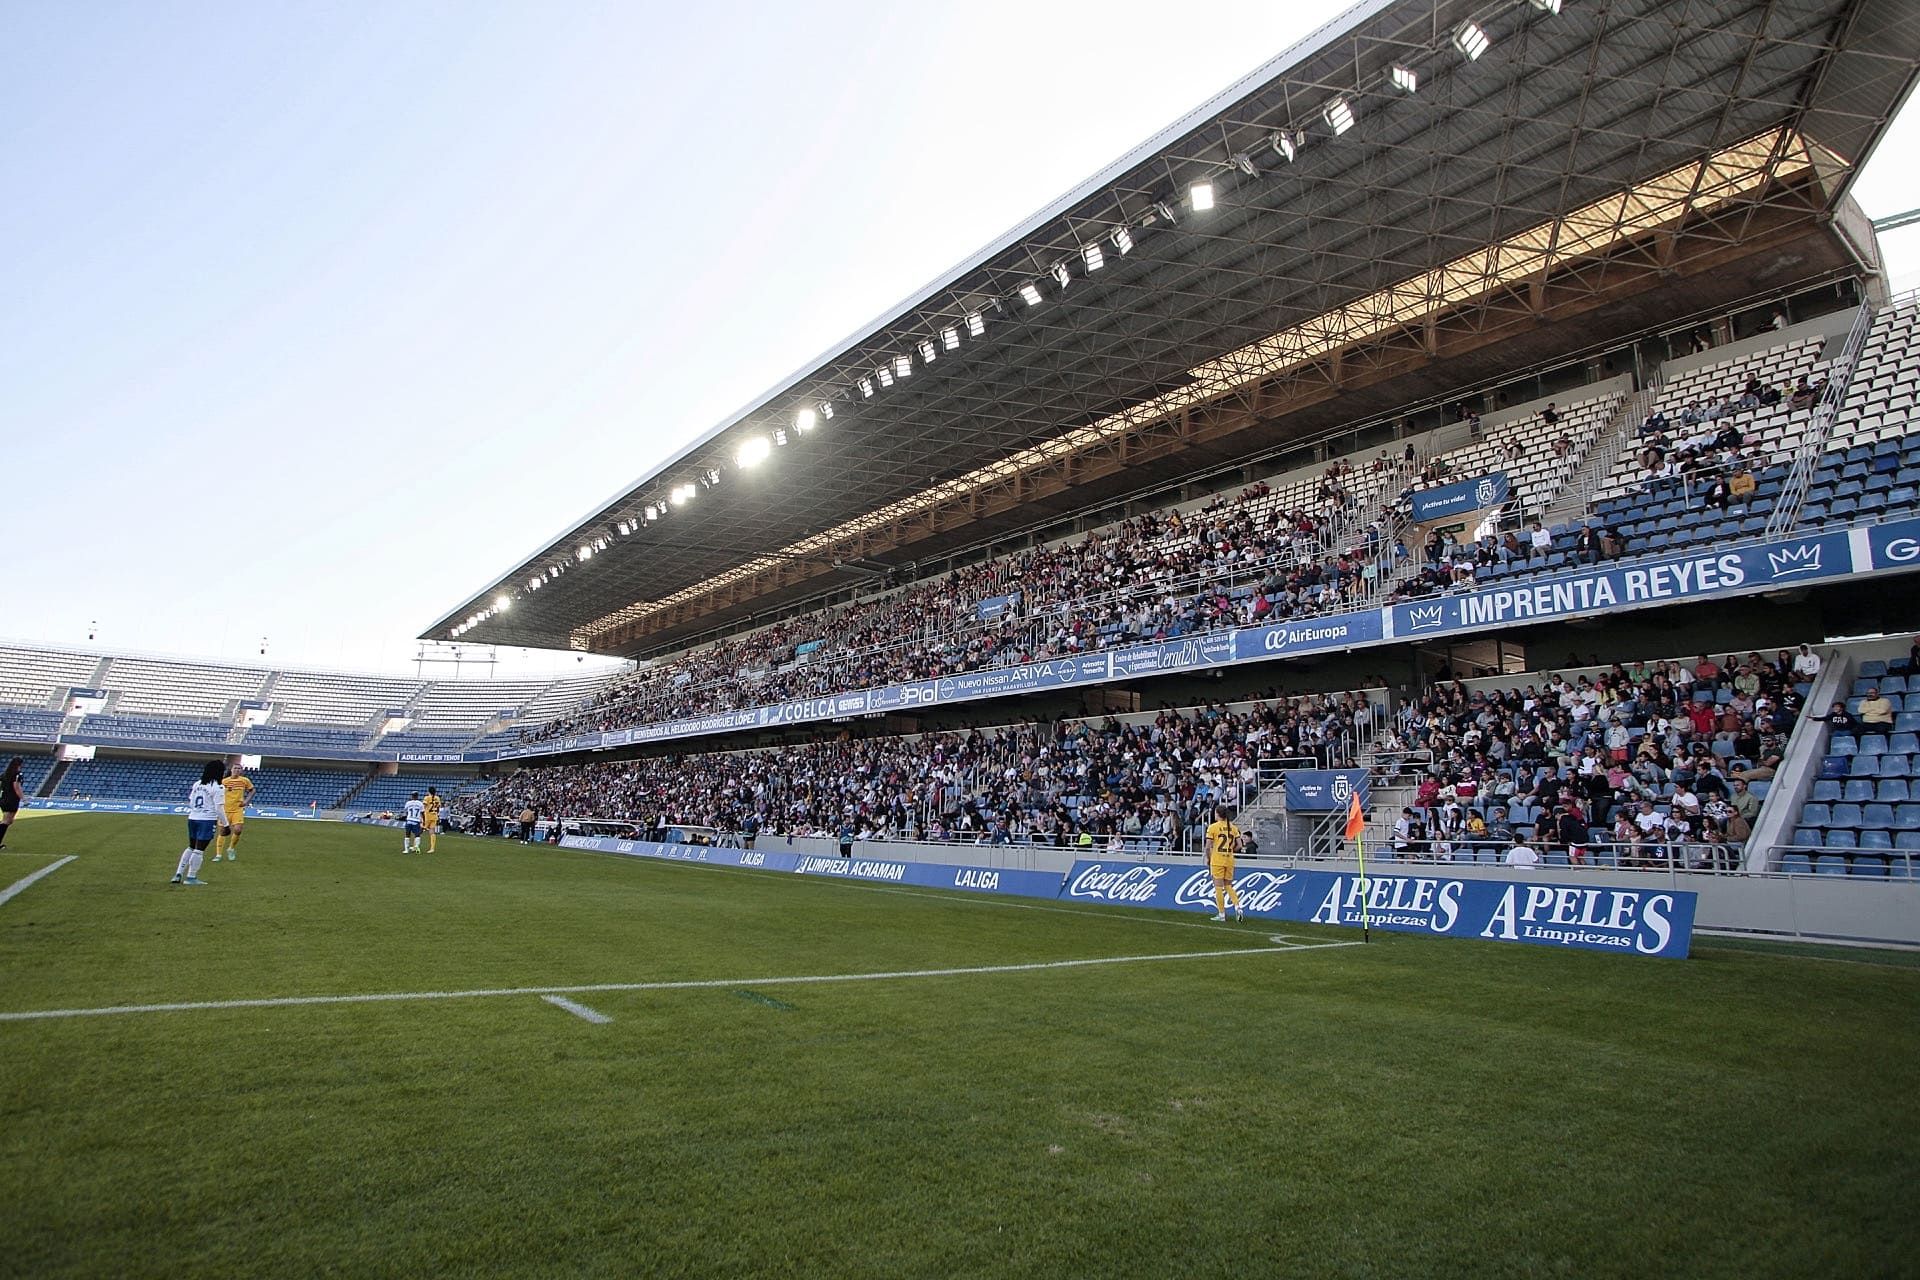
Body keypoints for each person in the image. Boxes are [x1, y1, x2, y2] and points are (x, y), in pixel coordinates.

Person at [172, 760, 226, 885]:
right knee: (199, 849)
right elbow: (219, 808)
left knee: (191, 846)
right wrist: (226, 824)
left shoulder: (197, 784)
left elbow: (191, 802)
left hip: (193, 817)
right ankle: (191, 877)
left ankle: (178, 873)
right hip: (207, 820)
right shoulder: (218, 787)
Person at [1203, 805, 1244, 921]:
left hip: (1217, 860)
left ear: (1218, 814)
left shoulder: (1213, 827)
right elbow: (1240, 845)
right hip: (1229, 859)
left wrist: (1208, 858)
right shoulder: (1233, 828)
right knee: (1228, 886)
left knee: (1218, 888)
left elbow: (1207, 846)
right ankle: (1237, 907)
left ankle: (1221, 914)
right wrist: (1231, 850)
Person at [215, 762, 253, 861]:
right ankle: (218, 855)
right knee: (222, 831)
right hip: (225, 810)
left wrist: (246, 801)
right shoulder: (224, 781)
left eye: (239, 768)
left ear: (241, 771)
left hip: (237, 809)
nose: (237, 770)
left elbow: (252, 790)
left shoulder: (245, 781)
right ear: (231, 769)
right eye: (235, 768)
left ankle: (231, 848)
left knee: (238, 830)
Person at [0, 757, 22, 850]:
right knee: (6, 821)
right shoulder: (17, 774)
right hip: (12, 800)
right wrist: (23, 798)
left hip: (4, 799)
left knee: (8, 821)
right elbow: (16, 787)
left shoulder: (4, 774)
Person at [423, 786, 443, 853]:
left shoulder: (427, 798)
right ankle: (432, 848)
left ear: (429, 791)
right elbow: (438, 807)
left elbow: (424, 806)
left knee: (420, 830)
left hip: (427, 816)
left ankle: (415, 846)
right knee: (432, 832)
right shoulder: (437, 798)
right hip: (434, 816)